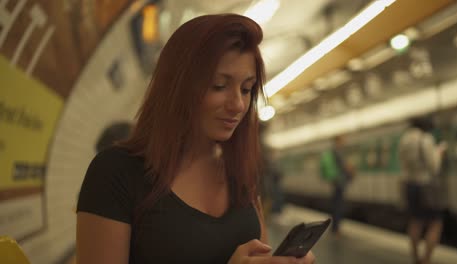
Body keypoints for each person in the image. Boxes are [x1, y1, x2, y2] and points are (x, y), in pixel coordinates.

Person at [76, 14, 315, 264]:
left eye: (246, 89)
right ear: (177, 87)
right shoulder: (115, 172)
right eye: (219, 86)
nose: (238, 105)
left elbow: (258, 253)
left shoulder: (240, 170)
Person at [398, 116, 446, 264]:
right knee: (435, 223)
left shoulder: (404, 140)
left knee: (415, 222)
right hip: (425, 185)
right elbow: (434, 167)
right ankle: (426, 259)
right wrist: (439, 152)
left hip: (408, 185)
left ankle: (415, 258)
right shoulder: (426, 139)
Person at [328, 135, 354, 236]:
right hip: (339, 182)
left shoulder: (333, 152)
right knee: (338, 205)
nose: (344, 143)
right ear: (338, 141)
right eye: (343, 141)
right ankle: (336, 228)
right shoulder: (337, 152)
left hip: (336, 182)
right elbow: (344, 166)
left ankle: (335, 227)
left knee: (336, 204)